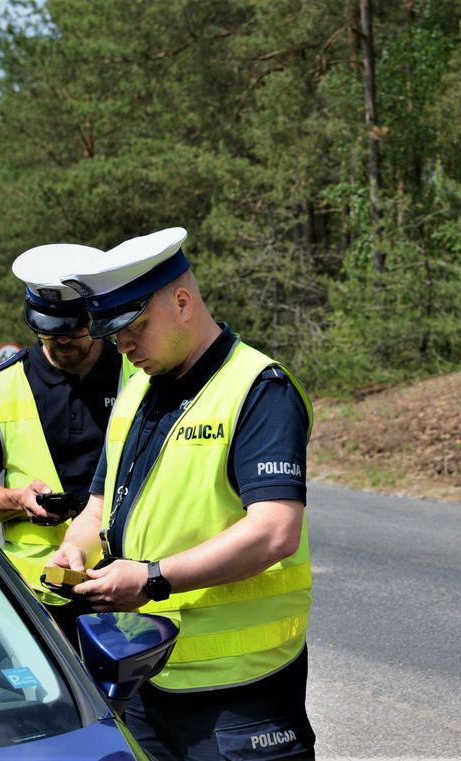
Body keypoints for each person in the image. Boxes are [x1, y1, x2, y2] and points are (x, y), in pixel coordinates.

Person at [46, 227, 316, 760]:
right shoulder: (138, 389)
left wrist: (151, 578)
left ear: (183, 301)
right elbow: (101, 503)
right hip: (144, 671)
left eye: (135, 327)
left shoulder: (258, 387)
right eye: (114, 333)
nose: (123, 346)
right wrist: (76, 547)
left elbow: (275, 530)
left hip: (241, 689)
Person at [0, 243, 134, 646]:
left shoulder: (138, 375)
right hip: (36, 601)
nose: (61, 341)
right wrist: (19, 499)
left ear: (96, 317)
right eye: (48, 330)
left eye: (73, 329)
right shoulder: (1, 386)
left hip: (123, 589)